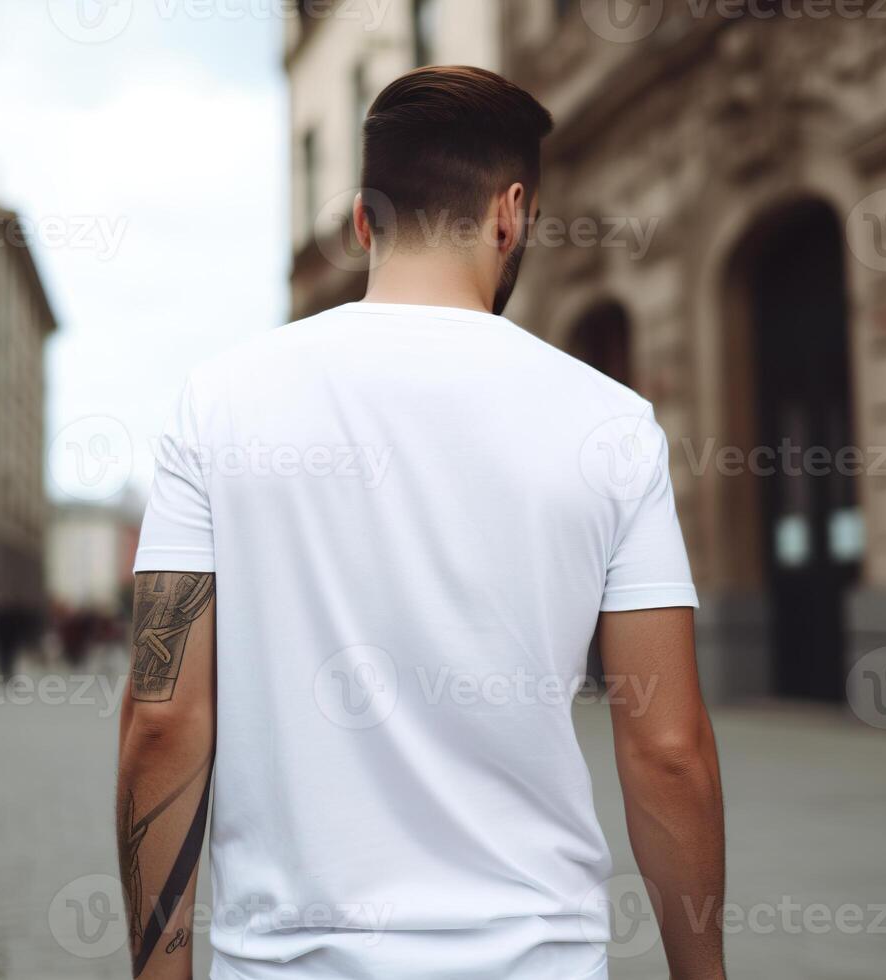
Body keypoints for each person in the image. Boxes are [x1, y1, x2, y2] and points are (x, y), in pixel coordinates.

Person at [117, 66, 725, 980]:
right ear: (511, 212)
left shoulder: (220, 402)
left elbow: (162, 718)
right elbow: (667, 748)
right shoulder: (611, 423)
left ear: (364, 219)